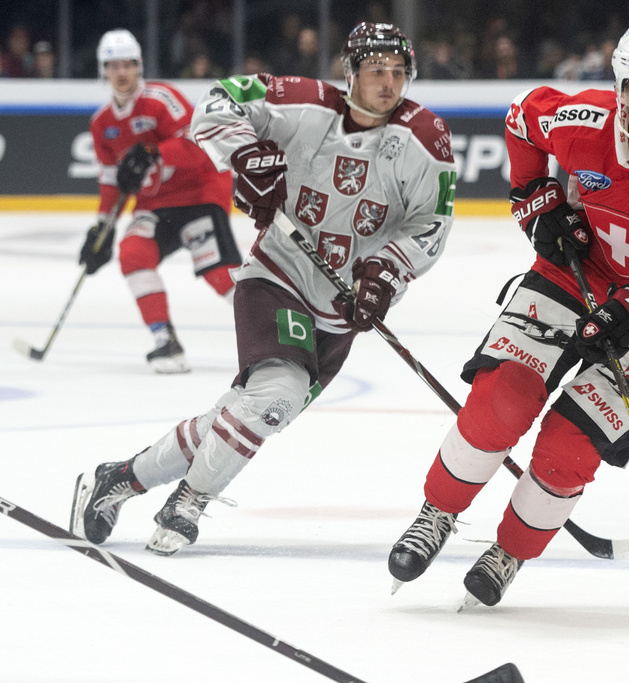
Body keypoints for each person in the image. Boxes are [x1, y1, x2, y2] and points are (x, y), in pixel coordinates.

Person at [388, 23, 629, 608]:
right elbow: (521, 116)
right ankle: (437, 515)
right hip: (579, 272)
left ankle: (508, 553)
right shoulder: (581, 120)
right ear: (620, 88)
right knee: (501, 399)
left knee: (567, 449)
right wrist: (536, 197)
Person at [69, 22, 457, 556]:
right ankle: (189, 501)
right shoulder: (304, 102)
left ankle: (121, 477)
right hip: (278, 274)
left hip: (343, 309)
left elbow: (433, 222)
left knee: (245, 413)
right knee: (277, 397)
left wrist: (387, 273)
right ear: (351, 73)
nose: (387, 83)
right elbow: (219, 101)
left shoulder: (426, 138)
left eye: (397, 72)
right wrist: (245, 155)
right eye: (375, 71)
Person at [80, 29, 239, 372]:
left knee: (219, 274)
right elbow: (111, 180)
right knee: (133, 253)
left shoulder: (160, 99)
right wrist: (102, 227)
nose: (121, 72)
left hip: (198, 192)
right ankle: (165, 340)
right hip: (155, 204)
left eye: (128, 64)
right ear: (102, 70)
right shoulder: (101, 123)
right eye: (113, 65)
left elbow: (198, 143)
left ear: (139, 66)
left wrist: (154, 151)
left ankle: (277, 334)